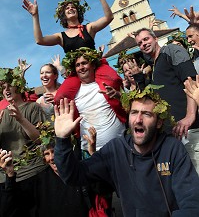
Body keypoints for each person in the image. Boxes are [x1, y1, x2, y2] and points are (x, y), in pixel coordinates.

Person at [53, 86, 199, 217]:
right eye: (134, 112)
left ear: (159, 122)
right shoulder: (115, 149)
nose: (138, 120)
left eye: (147, 114)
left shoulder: (172, 148)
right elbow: (73, 175)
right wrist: (62, 139)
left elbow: (191, 201)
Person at [134, 28, 199, 172]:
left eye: (146, 39)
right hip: (174, 134)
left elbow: (191, 80)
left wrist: (190, 116)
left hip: (190, 130)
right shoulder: (154, 67)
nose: (143, 44)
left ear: (155, 38)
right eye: (139, 43)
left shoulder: (171, 50)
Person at [59, 47, 127, 154]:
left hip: (119, 146)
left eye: (84, 63)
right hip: (89, 151)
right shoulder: (73, 93)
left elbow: (130, 106)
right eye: (77, 65)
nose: (81, 67)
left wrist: (119, 96)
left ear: (94, 65)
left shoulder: (107, 85)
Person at [0, 66, 47, 217]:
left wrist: (21, 119)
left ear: (18, 86)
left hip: (34, 172)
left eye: (9, 85)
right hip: (8, 178)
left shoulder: (33, 108)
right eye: (3, 87)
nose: (6, 90)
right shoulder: (1, 114)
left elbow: (40, 139)